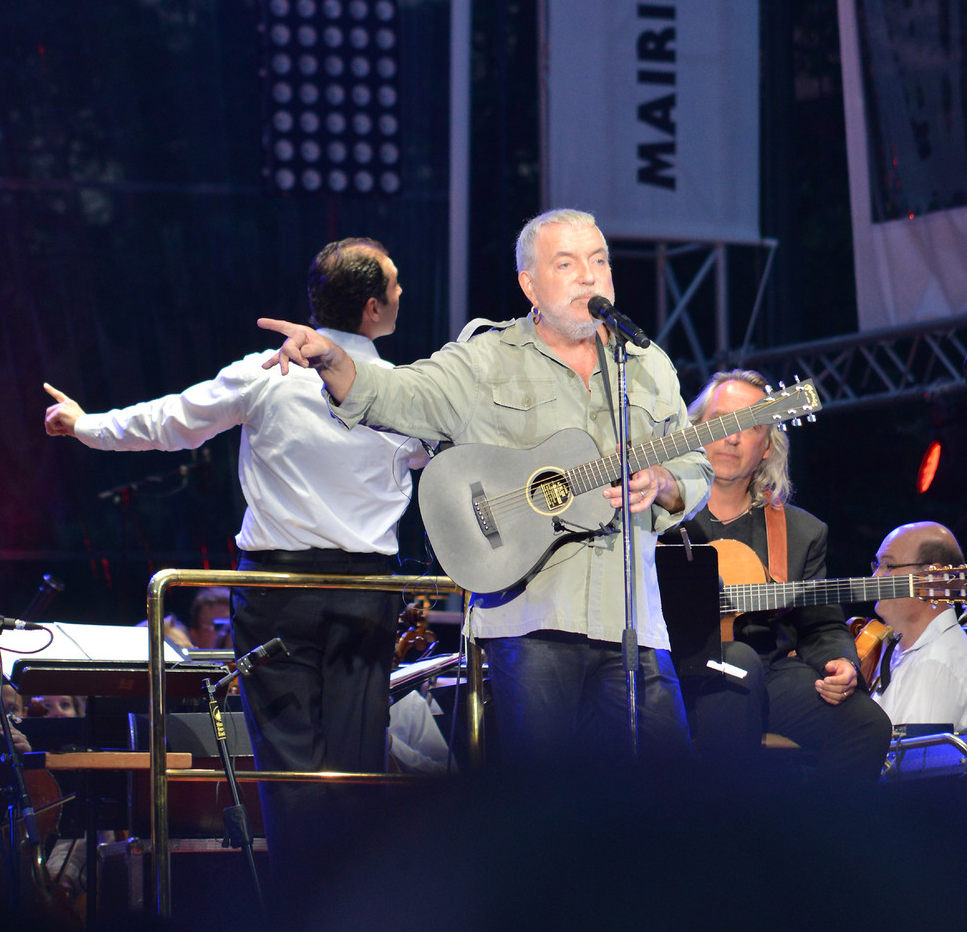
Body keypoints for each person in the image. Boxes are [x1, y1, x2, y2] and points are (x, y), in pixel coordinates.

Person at [259, 208, 714, 772]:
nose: (589, 277)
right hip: (530, 618)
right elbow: (403, 395)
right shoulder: (486, 358)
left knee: (669, 799)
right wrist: (335, 361)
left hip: (636, 623)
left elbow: (696, 466)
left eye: (599, 261)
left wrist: (667, 482)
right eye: (567, 263)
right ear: (529, 282)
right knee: (548, 808)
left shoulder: (648, 366)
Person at [43, 237, 430, 891]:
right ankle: (356, 908)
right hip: (361, 593)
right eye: (395, 285)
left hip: (279, 591)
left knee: (287, 771)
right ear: (372, 308)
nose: (402, 294)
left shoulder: (267, 374)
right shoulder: (405, 391)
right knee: (357, 768)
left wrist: (87, 425)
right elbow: (449, 455)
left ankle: (306, 910)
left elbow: (170, 421)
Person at [667, 369, 891, 785]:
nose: (731, 437)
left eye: (748, 426)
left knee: (868, 727)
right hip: (673, 671)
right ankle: (724, 832)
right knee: (737, 663)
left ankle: (808, 843)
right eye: (721, 421)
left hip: (771, 672)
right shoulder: (658, 516)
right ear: (693, 429)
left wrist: (840, 661)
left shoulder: (802, 532)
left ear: (767, 445)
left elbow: (821, 623)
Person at [870, 521, 967, 730]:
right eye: (876, 565)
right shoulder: (901, 650)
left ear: (934, 578)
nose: (875, 577)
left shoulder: (937, 661)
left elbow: (905, 760)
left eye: (887, 565)